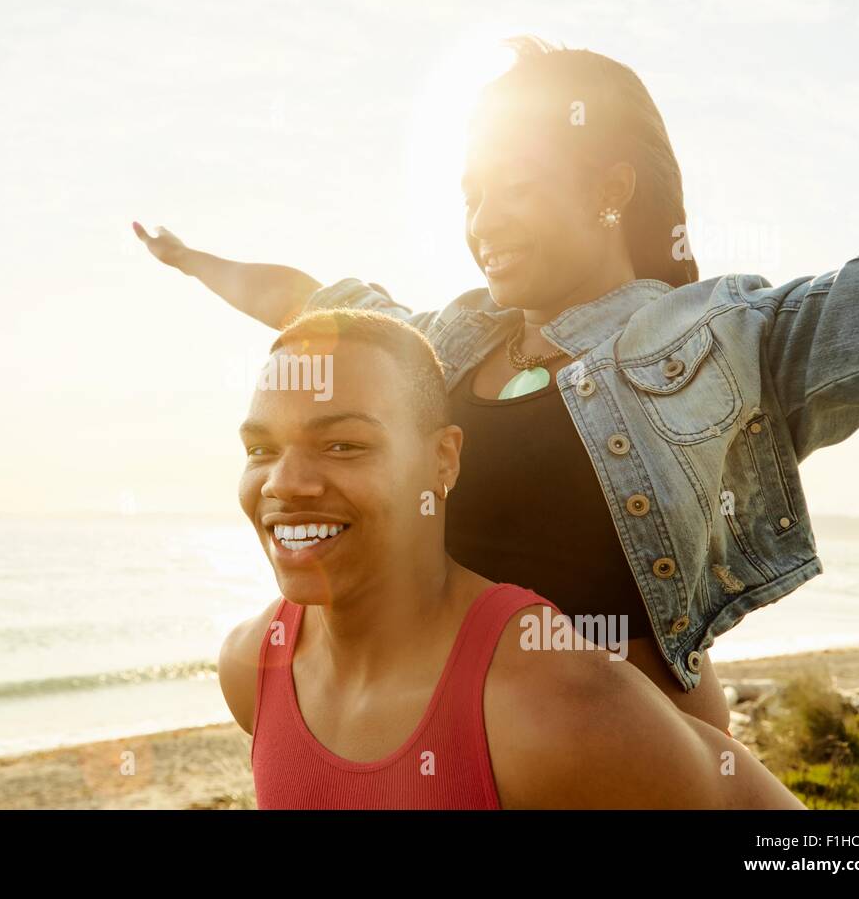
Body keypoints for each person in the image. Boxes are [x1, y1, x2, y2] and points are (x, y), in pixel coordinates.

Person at [138, 35, 859, 734]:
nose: (484, 223)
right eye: (473, 196)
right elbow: (308, 299)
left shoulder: (721, 341)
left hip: (639, 757)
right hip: (453, 746)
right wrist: (193, 261)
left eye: (516, 188)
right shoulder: (439, 345)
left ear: (610, 190)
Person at [219, 307, 803, 808]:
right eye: (261, 449)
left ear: (442, 461)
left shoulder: (551, 703)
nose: (285, 483)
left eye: (343, 445)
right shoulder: (253, 667)